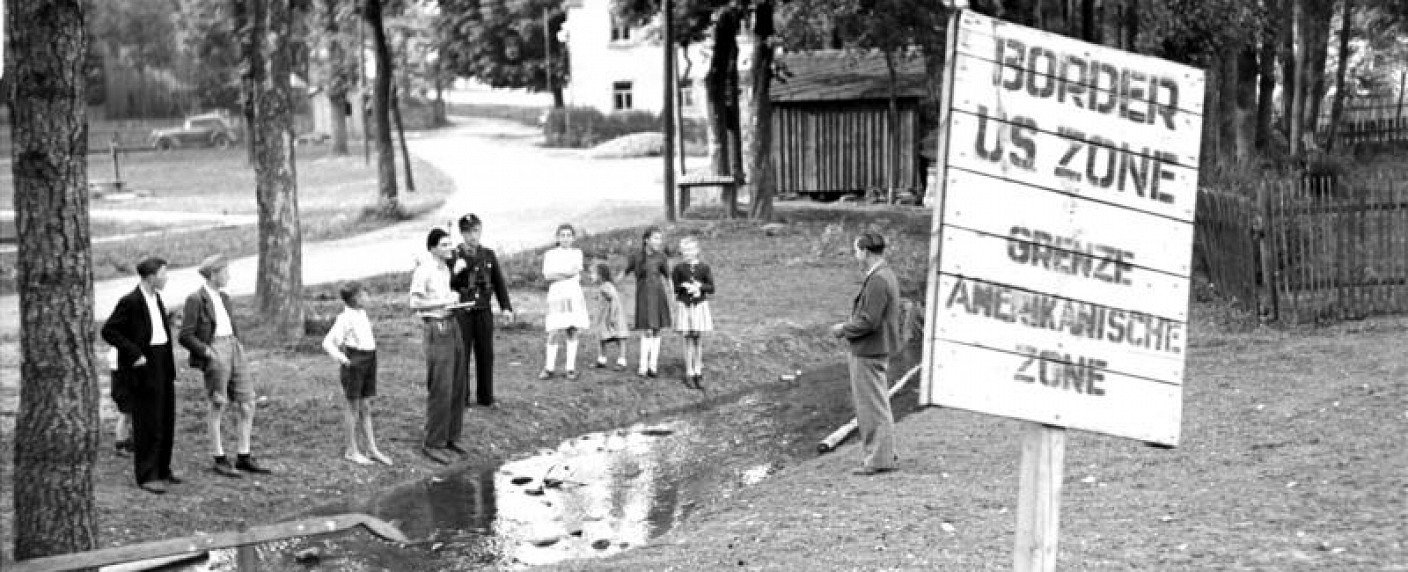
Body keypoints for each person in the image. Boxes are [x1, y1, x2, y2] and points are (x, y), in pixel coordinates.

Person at [178, 254, 272, 477]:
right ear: (213, 274)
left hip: (233, 346)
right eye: (225, 272)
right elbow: (185, 335)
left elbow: (230, 324)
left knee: (247, 402)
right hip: (215, 348)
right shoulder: (196, 299)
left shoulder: (225, 298)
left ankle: (244, 455)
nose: (229, 276)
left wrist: (237, 344)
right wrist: (206, 352)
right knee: (218, 403)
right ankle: (218, 456)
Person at [101, 257, 179, 494]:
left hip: (162, 363)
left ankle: (162, 469)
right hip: (143, 366)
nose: (166, 278)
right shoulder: (131, 301)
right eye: (164, 273)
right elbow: (109, 331)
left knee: (165, 417)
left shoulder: (157, 298)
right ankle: (147, 474)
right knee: (147, 420)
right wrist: (134, 353)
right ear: (151, 276)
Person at [829, 231, 902, 476]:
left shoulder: (879, 279)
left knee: (871, 406)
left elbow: (869, 321)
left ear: (865, 252)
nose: (855, 255)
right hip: (876, 348)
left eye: (856, 250)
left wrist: (843, 329)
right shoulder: (885, 275)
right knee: (878, 403)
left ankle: (879, 459)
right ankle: (884, 454)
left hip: (869, 350)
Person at [411, 227, 469, 465]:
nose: (450, 248)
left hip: (452, 324)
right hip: (436, 328)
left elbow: (445, 295)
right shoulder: (424, 270)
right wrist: (443, 301)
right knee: (441, 385)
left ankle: (450, 437)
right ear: (432, 247)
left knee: (458, 383)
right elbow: (415, 302)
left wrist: (453, 298)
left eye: (450, 244)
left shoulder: (445, 269)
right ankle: (433, 442)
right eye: (444, 245)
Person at [322, 281, 392, 466]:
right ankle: (351, 449)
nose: (367, 297)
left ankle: (371, 448)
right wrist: (343, 360)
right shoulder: (344, 318)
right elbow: (328, 343)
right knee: (353, 407)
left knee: (366, 405)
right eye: (363, 295)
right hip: (355, 361)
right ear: (355, 299)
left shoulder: (361, 314)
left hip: (370, 358)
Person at [449, 214, 514, 408]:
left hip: (484, 309)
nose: (472, 236)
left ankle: (486, 396)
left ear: (481, 230)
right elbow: (449, 285)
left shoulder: (488, 255)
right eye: (468, 232)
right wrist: (456, 271)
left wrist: (506, 307)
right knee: (463, 354)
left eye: (475, 231)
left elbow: (499, 283)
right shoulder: (454, 256)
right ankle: (462, 398)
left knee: (486, 353)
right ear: (462, 233)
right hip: (463, 311)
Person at [539, 224, 591, 380]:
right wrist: (566, 274)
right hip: (557, 293)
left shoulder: (577, 253)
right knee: (554, 330)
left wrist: (559, 273)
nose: (566, 238)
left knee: (572, 329)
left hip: (573, 293)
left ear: (573, 238)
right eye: (563, 235)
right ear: (557, 237)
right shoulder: (550, 254)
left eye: (569, 235)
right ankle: (549, 368)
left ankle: (570, 368)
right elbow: (547, 275)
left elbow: (575, 271)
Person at [623, 226, 672, 378]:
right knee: (647, 330)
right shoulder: (636, 256)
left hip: (658, 295)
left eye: (660, 238)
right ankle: (643, 366)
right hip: (643, 296)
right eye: (656, 238)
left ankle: (653, 366)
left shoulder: (661, 257)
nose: (659, 241)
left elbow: (667, 277)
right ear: (646, 240)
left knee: (656, 329)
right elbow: (625, 272)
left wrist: (673, 293)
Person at [671, 236, 715, 390]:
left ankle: (698, 371)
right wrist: (685, 286)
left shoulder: (704, 268)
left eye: (690, 250)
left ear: (697, 251)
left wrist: (699, 287)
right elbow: (675, 288)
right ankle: (689, 371)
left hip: (698, 306)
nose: (687, 253)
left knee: (697, 338)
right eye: (684, 250)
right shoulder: (678, 269)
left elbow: (711, 287)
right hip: (685, 306)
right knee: (688, 338)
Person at [591, 262, 629, 371]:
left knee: (619, 337)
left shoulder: (606, 287)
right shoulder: (602, 287)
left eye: (593, 273)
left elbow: (614, 300)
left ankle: (622, 361)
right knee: (601, 336)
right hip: (604, 318)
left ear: (600, 275)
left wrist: (613, 316)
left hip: (613, 316)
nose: (591, 276)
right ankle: (601, 359)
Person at [107, 346, 135, 456]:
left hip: (124, 387)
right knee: (125, 416)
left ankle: (129, 441)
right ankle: (120, 444)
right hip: (123, 388)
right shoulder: (118, 354)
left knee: (130, 415)